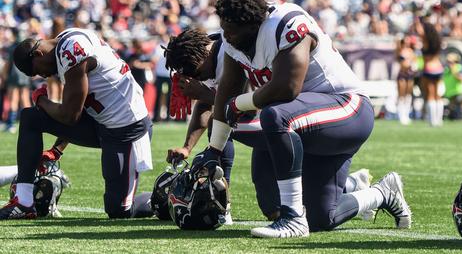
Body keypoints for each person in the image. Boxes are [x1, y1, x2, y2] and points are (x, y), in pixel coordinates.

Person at [193, 0, 411, 238]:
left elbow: (286, 89)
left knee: (274, 116)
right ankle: (382, 192)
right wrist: (214, 150)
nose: (226, 36)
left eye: (231, 29)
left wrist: (239, 104)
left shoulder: (286, 24)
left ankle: (293, 219)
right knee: (319, 217)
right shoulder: (233, 40)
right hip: (305, 120)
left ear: (252, 24)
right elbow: (226, 95)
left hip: (347, 109)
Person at [162, 28, 377, 224]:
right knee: (281, 209)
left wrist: (203, 95)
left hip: (314, 110)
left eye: (197, 72)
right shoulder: (209, 52)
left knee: (222, 122)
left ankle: (221, 200)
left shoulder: (234, 47)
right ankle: (362, 188)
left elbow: (247, 107)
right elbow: (209, 105)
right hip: (283, 115)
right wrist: (187, 147)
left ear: (203, 54)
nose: (199, 77)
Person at [0, 27, 154, 219]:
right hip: (101, 121)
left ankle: (163, 196)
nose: (44, 76)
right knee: (31, 117)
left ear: (38, 54)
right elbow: (79, 109)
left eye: (38, 70)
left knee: (120, 210)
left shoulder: (71, 51)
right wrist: (56, 150)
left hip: (126, 129)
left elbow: (70, 115)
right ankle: (23, 202)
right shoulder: (66, 40)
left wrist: (41, 100)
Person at [416, 17, 444, 126]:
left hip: (429, 68)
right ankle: (439, 120)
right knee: (438, 95)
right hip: (439, 67)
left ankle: (432, 121)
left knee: (430, 95)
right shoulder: (437, 40)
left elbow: (419, 31)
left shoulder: (425, 40)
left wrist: (418, 21)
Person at [395, 37, 416, 125]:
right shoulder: (400, 50)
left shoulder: (411, 51)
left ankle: (406, 114)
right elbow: (400, 60)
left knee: (408, 94)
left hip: (409, 74)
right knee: (401, 95)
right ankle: (401, 115)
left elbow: (414, 61)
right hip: (402, 73)